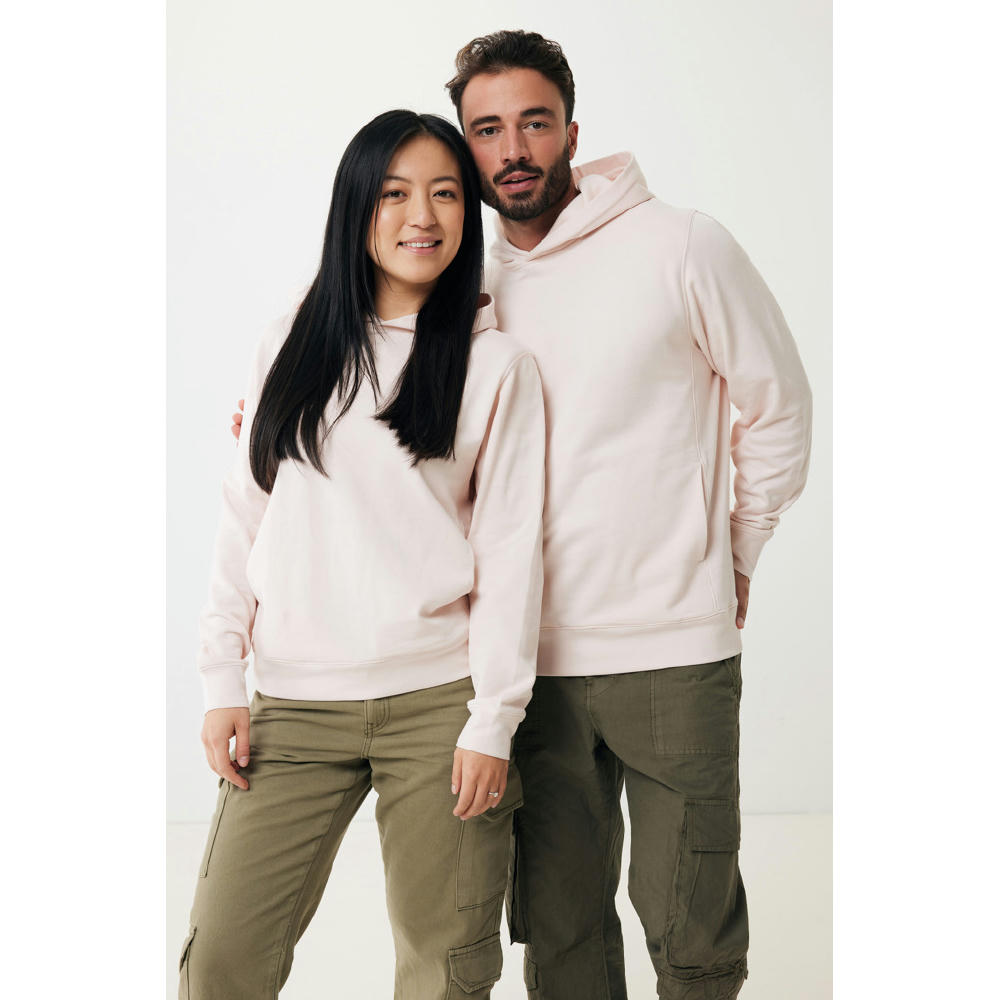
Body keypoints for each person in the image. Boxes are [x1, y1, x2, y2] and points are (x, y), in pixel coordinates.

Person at [232, 31, 813, 1000]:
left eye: (534, 123)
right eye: (487, 130)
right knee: (559, 931)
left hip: (668, 644)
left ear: (572, 132)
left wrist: (740, 549)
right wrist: (277, 396)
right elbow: (357, 347)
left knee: (691, 927)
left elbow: (779, 406)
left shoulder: (682, 245)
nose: (512, 150)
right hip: (519, 669)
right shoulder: (465, 282)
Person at [181, 109, 546, 1000]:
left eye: (446, 194)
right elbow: (245, 512)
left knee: (445, 970)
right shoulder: (290, 344)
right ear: (357, 207)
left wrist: (492, 720)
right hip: (294, 705)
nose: (423, 216)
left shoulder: (496, 367)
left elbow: (510, 556)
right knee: (221, 959)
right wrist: (222, 676)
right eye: (394, 194)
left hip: (437, 707)